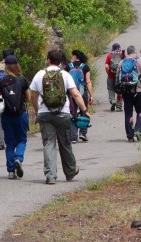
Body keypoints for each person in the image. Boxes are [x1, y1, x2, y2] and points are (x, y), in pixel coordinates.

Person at [29, 49, 90, 185]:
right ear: (61, 61)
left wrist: (37, 110)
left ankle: (50, 175)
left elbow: (33, 96)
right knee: (65, 143)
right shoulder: (65, 75)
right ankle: (70, 171)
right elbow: (75, 94)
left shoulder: (39, 75)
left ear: (48, 60)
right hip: (63, 113)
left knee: (48, 143)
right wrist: (84, 110)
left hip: (45, 114)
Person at [0, 55, 31, 179]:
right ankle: (18, 159)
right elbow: (28, 97)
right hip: (20, 114)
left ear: (6, 66)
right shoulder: (22, 80)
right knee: (22, 140)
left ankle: (11, 171)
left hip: (7, 115)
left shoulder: (1, 81)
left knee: (10, 143)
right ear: (17, 65)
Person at [116, 45, 141, 142]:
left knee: (128, 114)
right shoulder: (140, 62)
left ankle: (130, 136)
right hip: (138, 91)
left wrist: (119, 91)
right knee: (140, 112)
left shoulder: (121, 62)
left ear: (127, 53)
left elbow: (117, 78)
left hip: (126, 92)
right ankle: (138, 131)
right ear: (135, 52)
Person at [68, 50, 94, 143]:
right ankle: (83, 133)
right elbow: (88, 82)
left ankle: (73, 136)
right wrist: (91, 95)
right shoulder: (85, 67)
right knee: (84, 112)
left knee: (72, 113)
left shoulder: (68, 66)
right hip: (82, 94)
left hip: (71, 94)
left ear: (74, 56)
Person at [105, 43, 124, 112]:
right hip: (120, 77)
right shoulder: (122, 55)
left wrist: (109, 73)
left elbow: (106, 66)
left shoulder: (109, 55)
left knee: (111, 89)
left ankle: (113, 101)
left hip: (111, 76)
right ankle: (119, 106)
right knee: (120, 91)